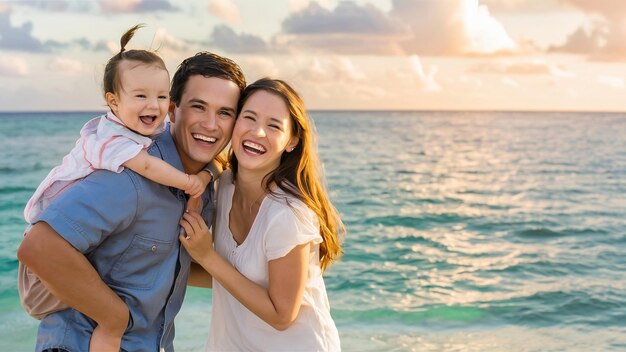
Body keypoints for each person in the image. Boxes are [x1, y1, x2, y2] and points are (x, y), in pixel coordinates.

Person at [16, 46, 246, 352]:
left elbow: (164, 266)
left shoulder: (201, 185)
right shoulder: (129, 173)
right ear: (173, 110)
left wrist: (262, 287)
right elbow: (39, 248)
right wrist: (114, 319)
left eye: (225, 112)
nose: (211, 124)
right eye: (199, 107)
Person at [180, 78, 344, 351]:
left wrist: (206, 255)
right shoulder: (224, 187)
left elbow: (282, 315)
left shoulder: (288, 214)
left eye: (273, 125)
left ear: (291, 140)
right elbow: (229, 278)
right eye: (249, 117)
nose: (257, 132)